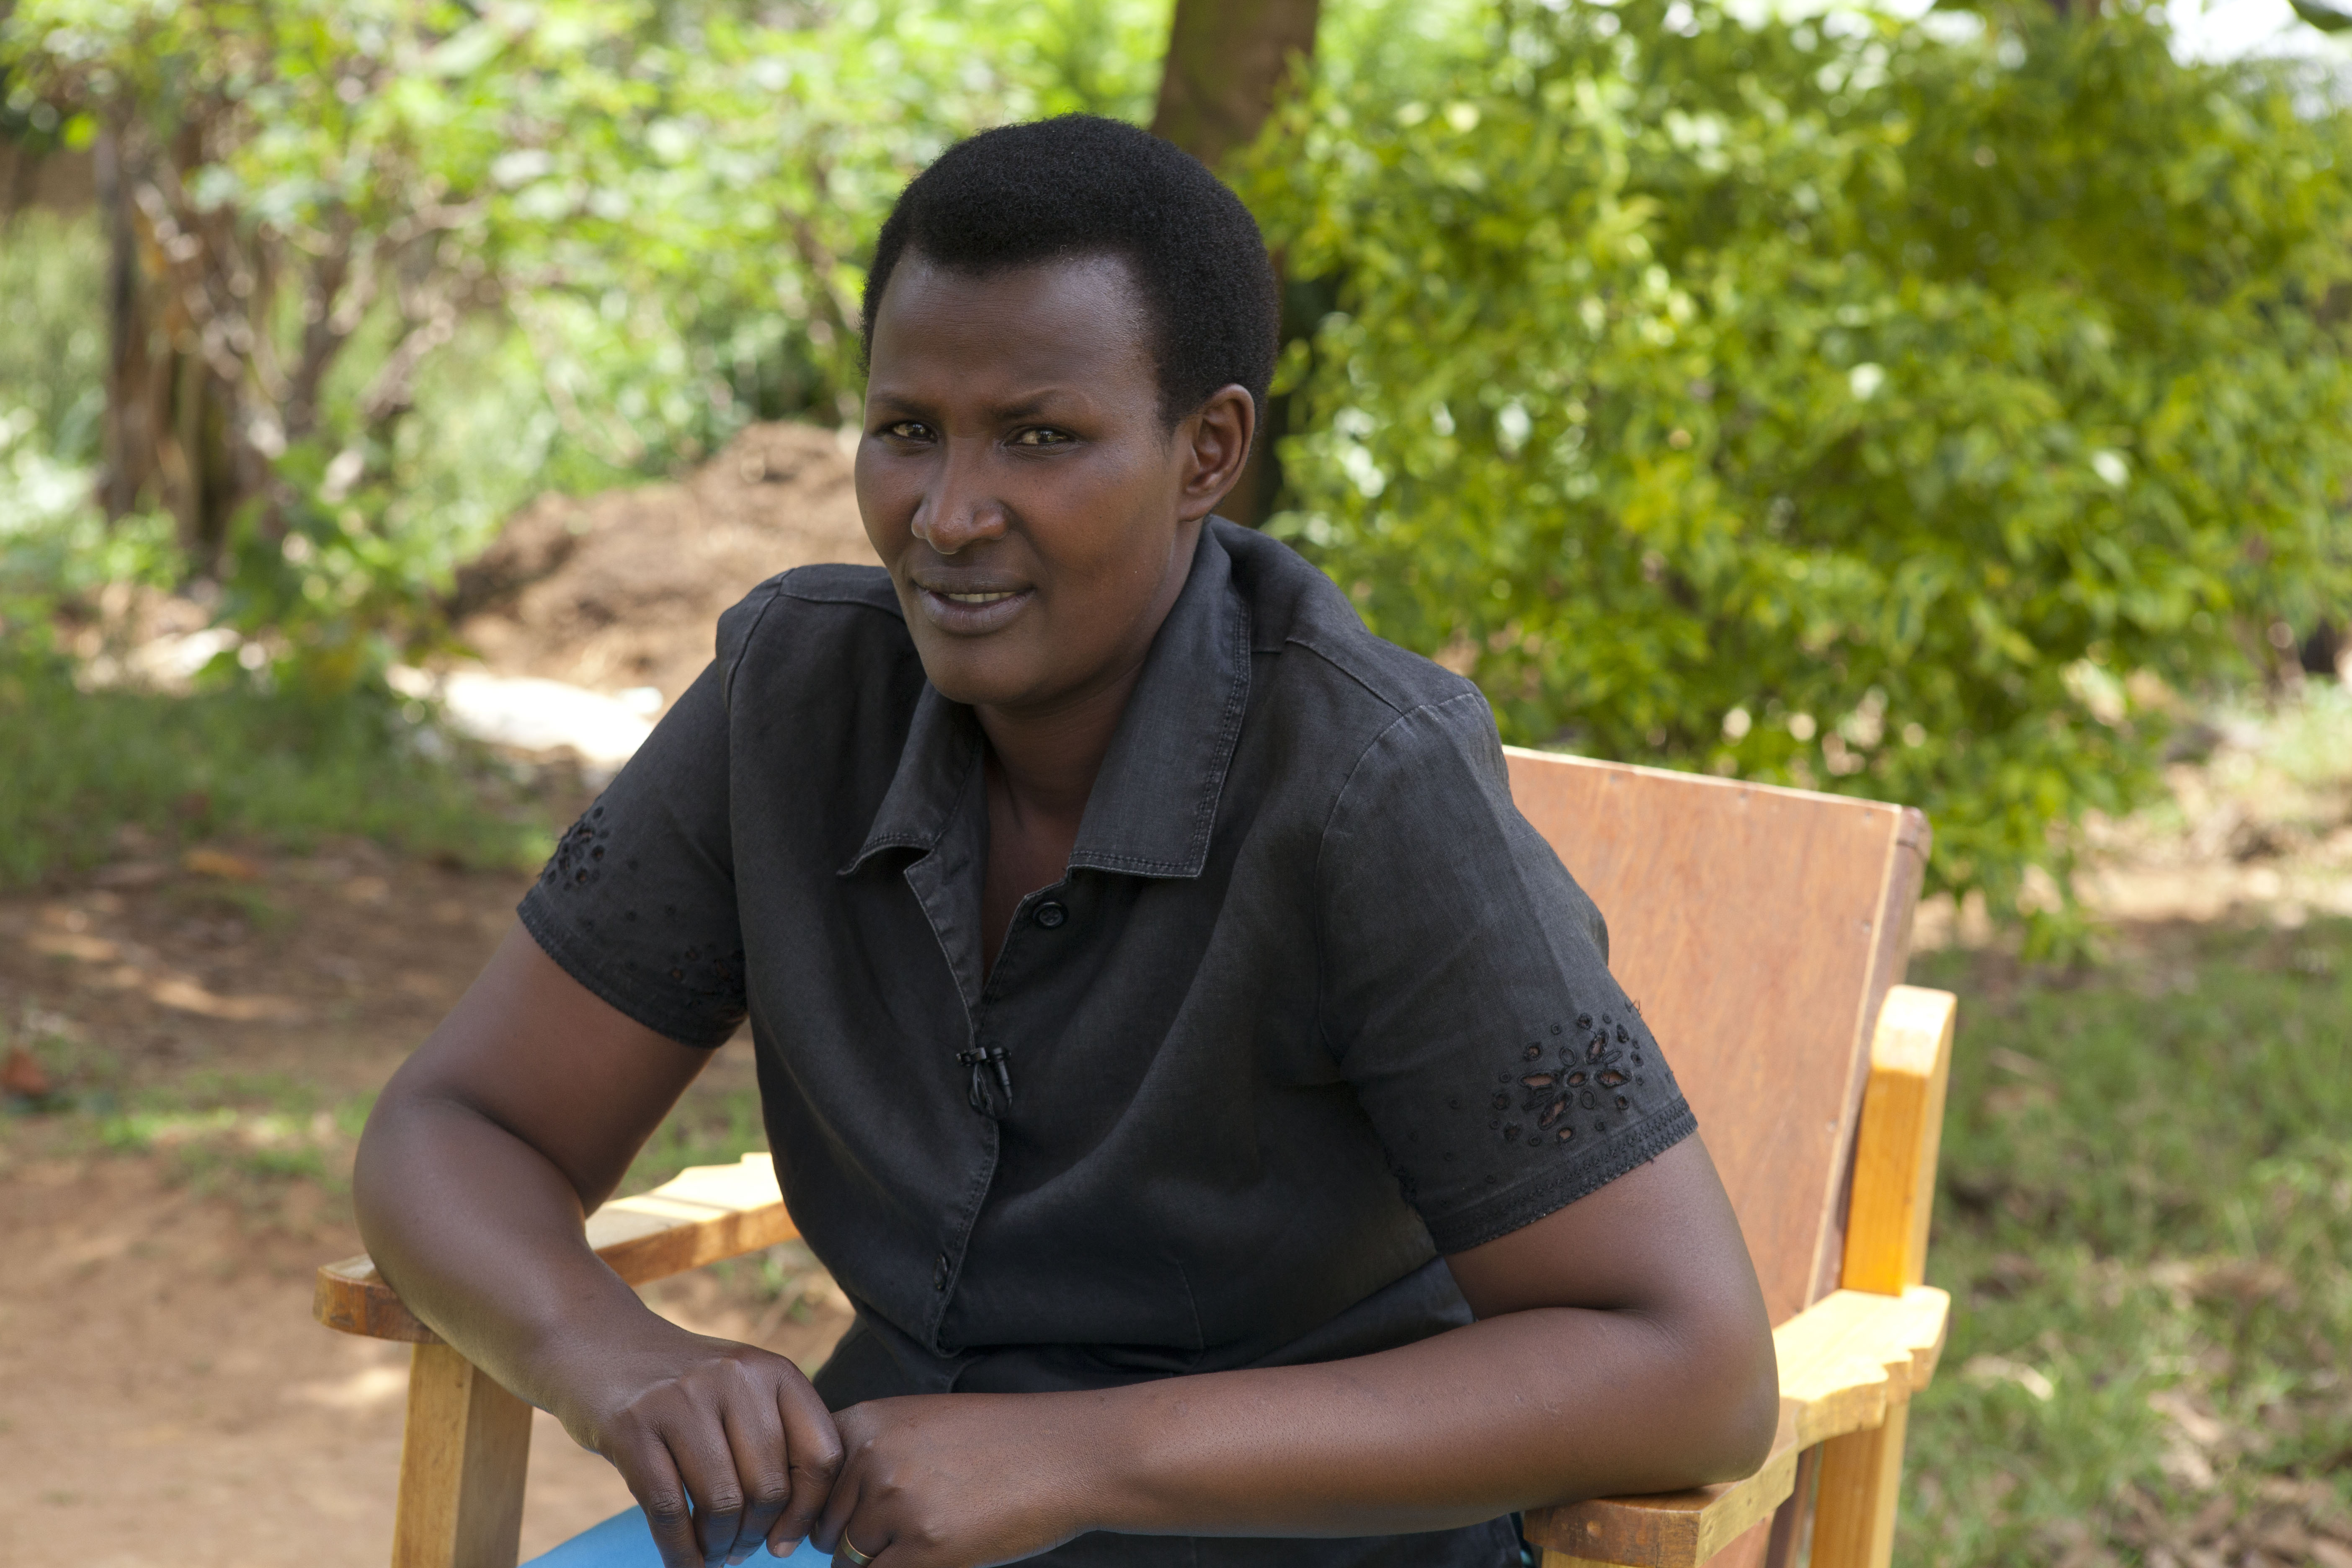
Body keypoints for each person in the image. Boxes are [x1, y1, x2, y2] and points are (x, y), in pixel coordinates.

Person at [353, 114, 1777, 1568]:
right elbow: (457, 1127)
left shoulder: (1367, 785)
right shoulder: (792, 705)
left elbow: (1692, 1366)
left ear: (1207, 452)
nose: (949, 515)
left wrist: (1082, 1456)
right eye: (908, 430)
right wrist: (615, 1357)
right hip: (876, 1522)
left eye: (1041, 437)